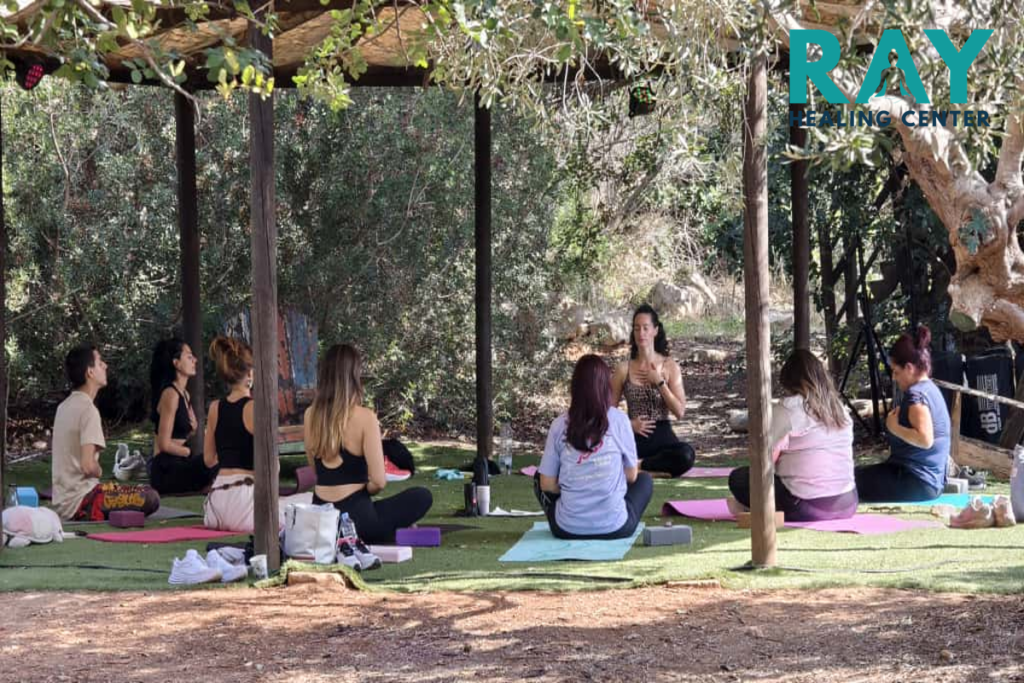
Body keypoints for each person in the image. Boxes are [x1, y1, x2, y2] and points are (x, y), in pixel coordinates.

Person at [305, 344, 432, 543]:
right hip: (359, 522)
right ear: (355, 377)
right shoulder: (366, 417)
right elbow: (378, 482)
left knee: (378, 509)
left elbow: (315, 468)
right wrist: (360, 488)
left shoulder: (310, 414)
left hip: (321, 522)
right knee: (422, 496)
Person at [727, 350, 858, 522]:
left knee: (740, 478)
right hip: (848, 504)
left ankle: (750, 507)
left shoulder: (788, 409)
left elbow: (762, 457)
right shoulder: (840, 409)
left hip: (806, 505)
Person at [536, 354, 653, 539]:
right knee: (644, 480)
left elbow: (547, 484)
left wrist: (574, 488)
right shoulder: (620, 420)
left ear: (574, 387)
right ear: (606, 387)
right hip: (615, 527)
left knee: (539, 476)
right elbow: (631, 476)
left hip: (566, 528)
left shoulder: (558, 425)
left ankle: (571, 515)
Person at [51, 345, 160, 521]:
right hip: (82, 502)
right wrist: (99, 470)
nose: (105, 366)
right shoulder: (88, 410)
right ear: (90, 372)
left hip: (62, 503)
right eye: (100, 362)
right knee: (150, 497)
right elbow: (88, 466)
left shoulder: (63, 407)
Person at [855, 326, 950, 502]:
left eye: (896, 372)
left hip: (917, 481)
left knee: (847, 480)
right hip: (929, 482)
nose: (894, 378)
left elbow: (925, 439)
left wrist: (894, 427)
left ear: (909, 368)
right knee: (857, 475)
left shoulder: (916, 395)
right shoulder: (931, 389)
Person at [611, 304, 695, 477]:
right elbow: (607, 413)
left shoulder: (670, 366)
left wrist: (660, 383)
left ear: (655, 330)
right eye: (636, 328)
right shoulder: (623, 369)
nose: (641, 333)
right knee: (606, 455)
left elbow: (679, 412)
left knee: (686, 455)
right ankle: (652, 469)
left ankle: (640, 466)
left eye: (645, 328)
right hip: (633, 436)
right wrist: (629, 425)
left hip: (663, 438)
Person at [202, 336, 275, 532]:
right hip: (245, 500)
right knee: (307, 502)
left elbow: (209, 460)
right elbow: (272, 467)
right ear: (250, 373)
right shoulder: (255, 407)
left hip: (215, 507)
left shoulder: (215, 407)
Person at [149, 338, 215, 495]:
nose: (195, 360)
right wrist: (187, 452)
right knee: (214, 459)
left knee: (218, 459)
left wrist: (192, 429)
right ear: (176, 363)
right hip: (164, 468)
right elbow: (164, 444)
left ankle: (209, 486)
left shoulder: (184, 394)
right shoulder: (170, 394)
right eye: (189, 356)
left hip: (179, 463)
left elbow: (178, 434)